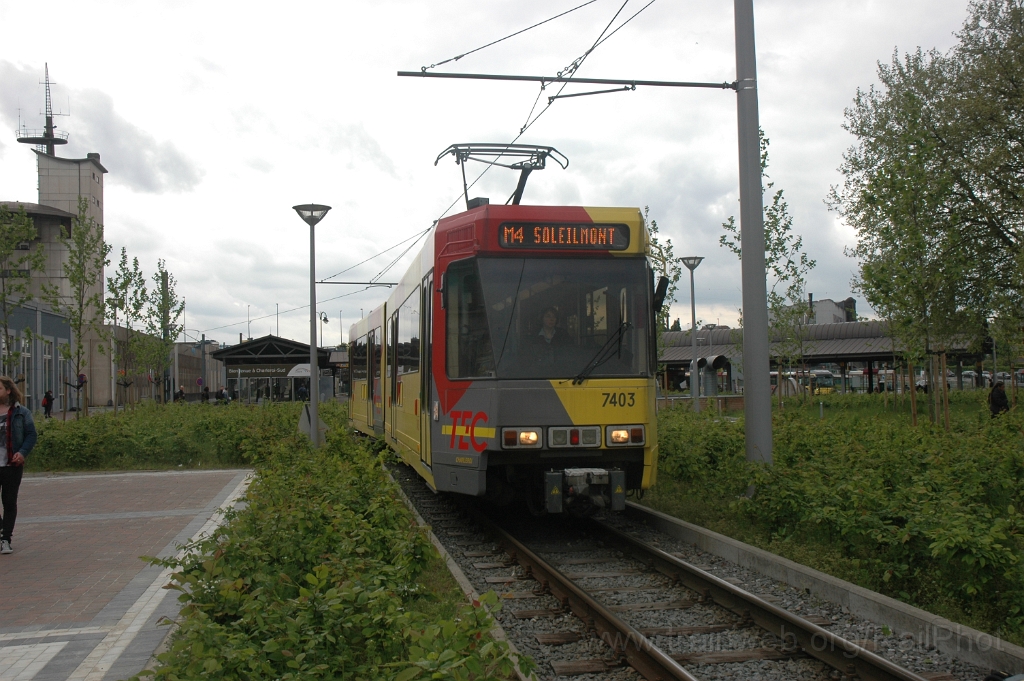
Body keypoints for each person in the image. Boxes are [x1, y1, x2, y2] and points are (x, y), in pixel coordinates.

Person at [0, 375, 38, 554]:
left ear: (8, 390)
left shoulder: (21, 412)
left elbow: (31, 434)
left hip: (11, 465)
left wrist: (22, 453)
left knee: (9, 501)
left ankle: (5, 539)